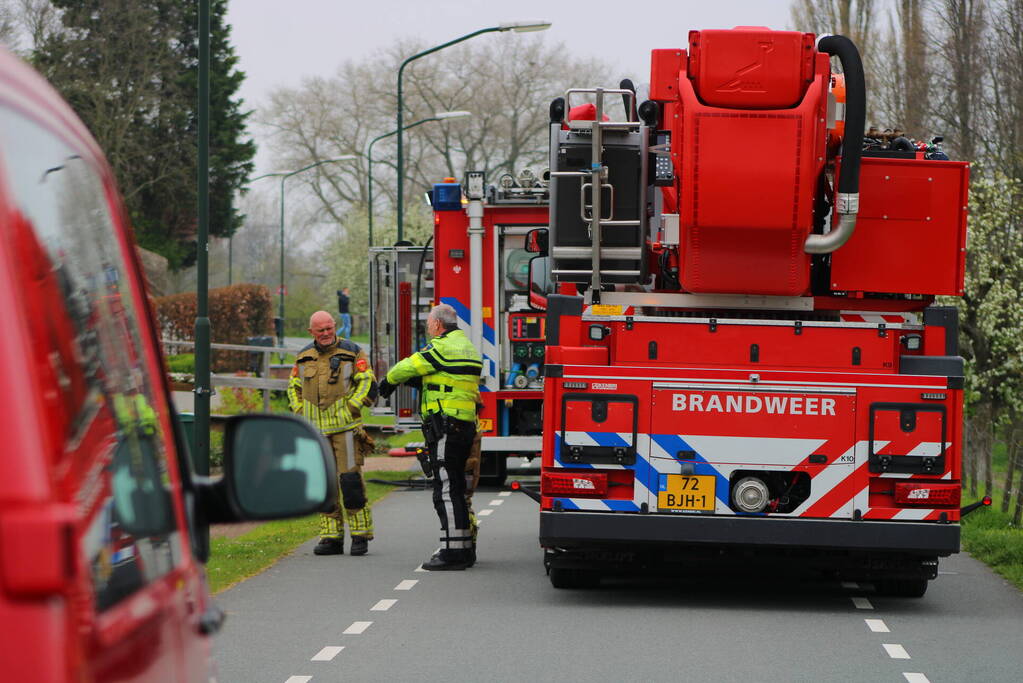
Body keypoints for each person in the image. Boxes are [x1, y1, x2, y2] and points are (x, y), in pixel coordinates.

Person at [378, 304, 482, 570]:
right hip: (464, 425)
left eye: (428, 326)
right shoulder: (468, 347)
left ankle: (452, 553)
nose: (428, 330)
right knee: (457, 488)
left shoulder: (440, 347)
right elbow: (445, 379)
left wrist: (387, 382)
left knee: (445, 489)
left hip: (446, 427)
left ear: (437, 325)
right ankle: (465, 548)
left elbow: (408, 366)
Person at [287, 311, 377, 556]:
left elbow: (367, 381)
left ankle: (360, 535)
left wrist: (352, 407)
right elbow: (293, 387)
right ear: (311, 332)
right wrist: (298, 409)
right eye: (320, 330)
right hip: (315, 433)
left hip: (346, 430)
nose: (326, 334)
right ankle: (331, 537)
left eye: (329, 328)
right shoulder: (303, 356)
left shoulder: (352, 352)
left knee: (350, 483)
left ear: (334, 327)